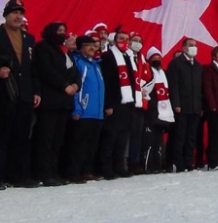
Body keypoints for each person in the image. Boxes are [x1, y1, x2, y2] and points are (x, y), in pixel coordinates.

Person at [0, 0, 41, 190]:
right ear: (6, 15)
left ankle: (19, 176)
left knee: (22, 137)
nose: (18, 16)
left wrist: (36, 91)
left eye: (20, 13)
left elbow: (33, 68)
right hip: (2, 93)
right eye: (14, 12)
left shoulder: (28, 38)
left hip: (25, 94)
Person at [32, 22, 80, 186]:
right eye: (59, 31)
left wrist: (75, 84)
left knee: (57, 140)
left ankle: (54, 171)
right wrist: (63, 85)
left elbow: (75, 72)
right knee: (46, 139)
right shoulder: (43, 47)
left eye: (64, 31)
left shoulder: (65, 52)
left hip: (64, 103)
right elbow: (46, 70)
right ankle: (43, 173)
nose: (63, 33)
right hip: (50, 101)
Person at [98, 31, 140, 179]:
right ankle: (106, 167)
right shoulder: (109, 57)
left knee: (123, 136)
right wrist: (108, 104)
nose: (125, 41)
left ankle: (119, 165)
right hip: (114, 102)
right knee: (110, 136)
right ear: (114, 41)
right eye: (122, 39)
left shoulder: (128, 57)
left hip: (127, 102)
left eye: (127, 39)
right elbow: (107, 82)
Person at [65, 36, 105, 183]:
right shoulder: (78, 63)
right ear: (80, 47)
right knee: (78, 144)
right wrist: (76, 109)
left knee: (91, 145)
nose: (92, 48)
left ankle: (87, 170)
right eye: (88, 45)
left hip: (97, 112)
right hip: (83, 111)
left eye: (93, 45)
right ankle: (73, 172)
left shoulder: (96, 64)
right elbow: (77, 87)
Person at [166, 38, 204, 172]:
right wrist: (176, 103)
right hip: (181, 106)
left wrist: (201, 106)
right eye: (191, 45)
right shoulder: (176, 64)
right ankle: (178, 162)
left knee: (191, 137)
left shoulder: (198, 66)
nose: (194, 48)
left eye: (195, 45)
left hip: (195, 107)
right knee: (180, 136)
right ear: (183, 48)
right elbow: (173, 85)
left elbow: (201, 88)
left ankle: (188, 161)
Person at [140, 47, 174, 174]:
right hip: (151, 110)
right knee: (149, 140)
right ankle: (147, 165)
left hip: (163, 111)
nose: (157, 59)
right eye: (154, 57)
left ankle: (158, 164)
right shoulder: (147, 73)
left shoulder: (163, 73)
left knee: (159, 140)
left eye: (158, 57)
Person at [126, 32, 150, 175]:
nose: (137, 43)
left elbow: (147, 78)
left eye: (140, 41)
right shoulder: (126, 58)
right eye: (134, 40)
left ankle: (134, 163)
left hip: (140, 102)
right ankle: (124, 162)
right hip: (128, 100)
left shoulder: (142, 60)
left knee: (137, 134)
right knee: (125, 133)